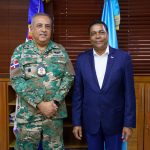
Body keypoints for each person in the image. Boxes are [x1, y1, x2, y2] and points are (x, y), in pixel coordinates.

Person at [10, 13, 74, 150]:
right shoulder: (20, 51)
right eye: (39, 26)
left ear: (51, 30)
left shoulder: (61, 51)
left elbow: (69, 77)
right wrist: (39, 103)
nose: (44, 29)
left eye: (47, 26)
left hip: (53, 114)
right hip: (28, 116)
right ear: (31, 29)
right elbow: (16, 80)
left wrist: (55, 102)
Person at [72, 20, 136, 150]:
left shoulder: (123, 58)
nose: (97, 36)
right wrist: (76, 122)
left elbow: (129, 93)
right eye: (93, 33)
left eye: (101, 32)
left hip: (115, 121)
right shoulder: (82, 59)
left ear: (107, 35)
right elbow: (78, 93)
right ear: (90, 38)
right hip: (91, 121)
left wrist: (128, 124)